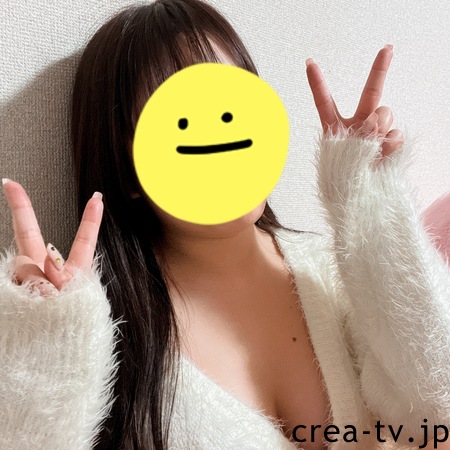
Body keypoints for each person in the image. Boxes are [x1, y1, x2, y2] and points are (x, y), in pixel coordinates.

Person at [1, 0, 449, 449]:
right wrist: (47, 362)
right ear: (126, 164)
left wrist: (371, 210)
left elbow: (434, 415)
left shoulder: (331, 272)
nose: (218, 137)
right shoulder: (105, 333)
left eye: (231, 102)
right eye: (181, 119)